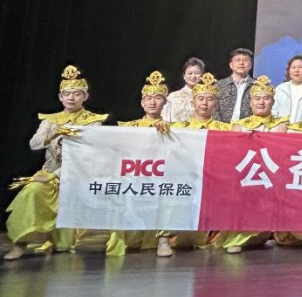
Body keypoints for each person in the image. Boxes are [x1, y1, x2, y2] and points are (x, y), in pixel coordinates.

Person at [4, 66, 109, 261]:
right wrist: (52, 134)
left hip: (77, 176)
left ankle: (56, 240)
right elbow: (34, 144)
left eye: (76, 93)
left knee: (63, 247)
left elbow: (88, 155)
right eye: (67, 94)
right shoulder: (51, 120)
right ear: (60, 97)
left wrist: (55, 175)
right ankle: (20, 244)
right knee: (32, 192)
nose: (71, 98)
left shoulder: (93, 122)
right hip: (48, 175)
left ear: (85, 96)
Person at [161, 72, 228, 257]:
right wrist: (160, 130)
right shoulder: (179, 128)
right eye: (200, 99)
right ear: (193, 103)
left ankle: (226, 238)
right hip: (187, 178)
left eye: (210, 99)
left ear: (216, 104)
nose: (205, 103)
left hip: (215, 180)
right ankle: (163, 239)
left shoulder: (226, 129)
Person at [221, 76, 288, 254]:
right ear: (250, 102)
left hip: (271, 175)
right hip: (245, 174)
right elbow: (233, 153)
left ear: (273, 102)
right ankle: (238, 237)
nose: (261, 102)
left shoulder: (281, 124)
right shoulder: (239, 125)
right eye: (257, 98)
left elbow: (280, 151)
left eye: (266, 98)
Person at [114, 72, 175, 256]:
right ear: (142, 102)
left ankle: (163, 240)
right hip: (134, 176)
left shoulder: (175, 128)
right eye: (148, 98)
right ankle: (120, 241)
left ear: (165, 103)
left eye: (158, 98)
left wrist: (169, 135)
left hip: (162, 176)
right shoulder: (129, 127)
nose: (153, 102)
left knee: (168, 194)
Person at [215, 48, 256, 123]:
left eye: (245, 60)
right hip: (221, 127)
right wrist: (221, 126)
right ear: (231, 65)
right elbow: (213, 108)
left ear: (250, 65)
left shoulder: (256, 86)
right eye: (238, 60)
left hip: (247, 127)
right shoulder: (220, 85)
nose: (241, 63)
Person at [165, 57, 204, 122]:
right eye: (190, 73)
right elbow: (165, 119)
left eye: (197, 73)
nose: (193, 76)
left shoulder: (208, 97)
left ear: (202, 75)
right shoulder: (173, 97)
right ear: (184, 76)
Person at [273, 55, 302, 122]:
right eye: (293, 67)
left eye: (300, 67)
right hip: (282, 126)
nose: (296, 70)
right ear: (289, 70)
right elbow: (273, 110)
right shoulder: (281, 88)